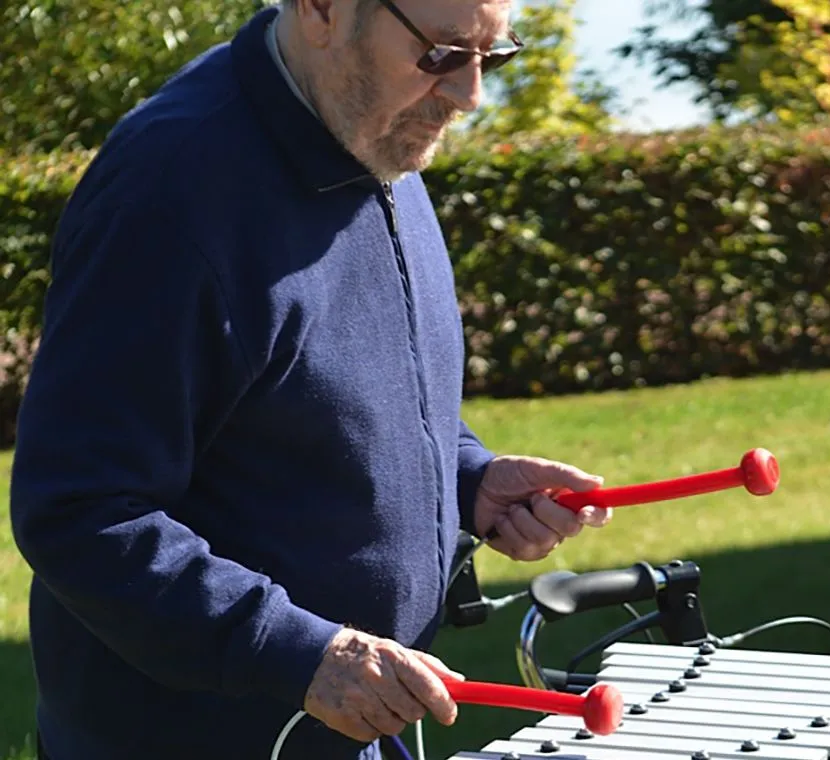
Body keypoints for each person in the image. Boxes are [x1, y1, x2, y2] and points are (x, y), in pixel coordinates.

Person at [8, 0, 612, 758]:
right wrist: (300, 653)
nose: (470, 96)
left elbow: (320, 393)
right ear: (322, 9)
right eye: (441, 56)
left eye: (494, 56)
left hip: (349, 729)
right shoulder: (171, 194)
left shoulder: (372, 132)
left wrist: (463, 476)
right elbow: (78, 508)